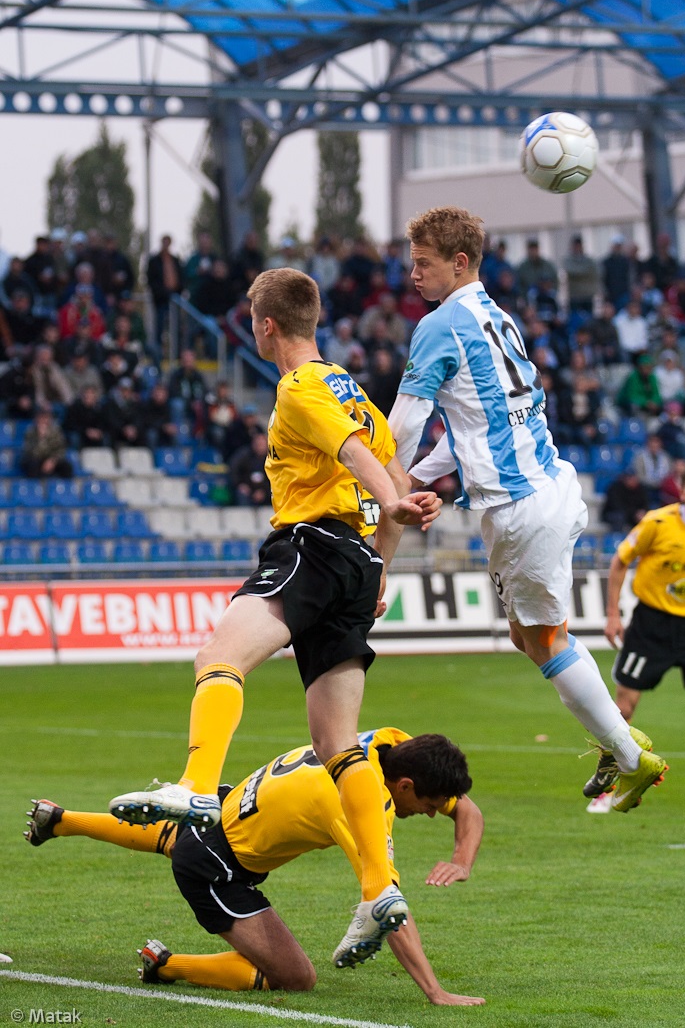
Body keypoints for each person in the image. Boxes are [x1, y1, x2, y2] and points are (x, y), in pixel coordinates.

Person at [109, 268, 441, 970]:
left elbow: (365, 467)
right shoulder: (357, 392)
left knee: (218, 658)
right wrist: (382, 562)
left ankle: (198, 787)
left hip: (310, 546)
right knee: (338, 743)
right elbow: (394, 475)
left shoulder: (301, 386)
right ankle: (380, 889)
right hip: (355, 563)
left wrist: (394, 502)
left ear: (265, 325)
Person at [387, 205, 667, 815]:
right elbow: (469, 427)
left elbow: (405, 426)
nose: (413, 275)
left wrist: (385, 494)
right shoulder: (495, 316)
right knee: (528, 635)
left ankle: (627, 754)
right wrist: (423, 476)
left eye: (423, 264)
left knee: (545, 636)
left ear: (458, 263)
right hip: (553, 485)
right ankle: (617, 740)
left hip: (520, 507)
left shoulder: (438, 326)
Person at [27, 728, 484, 1005]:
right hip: (217, 867)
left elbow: (466, 809)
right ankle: (165, 965)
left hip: (222, 809)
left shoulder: (389, 742)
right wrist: (434, 992)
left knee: (177, 836)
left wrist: (461, 860)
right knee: (296, 977)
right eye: (426, 805)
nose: (430, 813)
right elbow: (389, 910)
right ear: (402, 786)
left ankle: (64, 821)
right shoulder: (358, 804)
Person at [585, 459, 685, 812]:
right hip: (653, 625)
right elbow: (620, 561)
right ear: (682, 490)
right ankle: (610, 781)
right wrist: (613, 613)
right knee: (623, 707)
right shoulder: (658, 522)